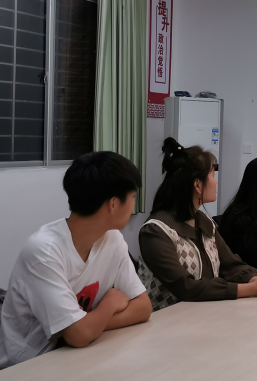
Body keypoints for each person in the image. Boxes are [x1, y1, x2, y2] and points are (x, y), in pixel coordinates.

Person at [0, 152, 151, 368]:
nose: (134, 204)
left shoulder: (112, 239)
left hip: (78, 357)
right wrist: (108, 305)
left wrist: (92, 324)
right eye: (133, 197)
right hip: (26, 368)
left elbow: (143, 307)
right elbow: (78, 336)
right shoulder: (44, 251)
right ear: (114, 204)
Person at [138, 138, 257, 309]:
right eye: (212, 176)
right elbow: (186, 287)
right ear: (197, 185)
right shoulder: (156, 231)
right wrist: (251, 289)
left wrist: (255, 280)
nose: (216, 182)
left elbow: (230, 264)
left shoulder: (204, 221)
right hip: (168, 320)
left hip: (207, 314)